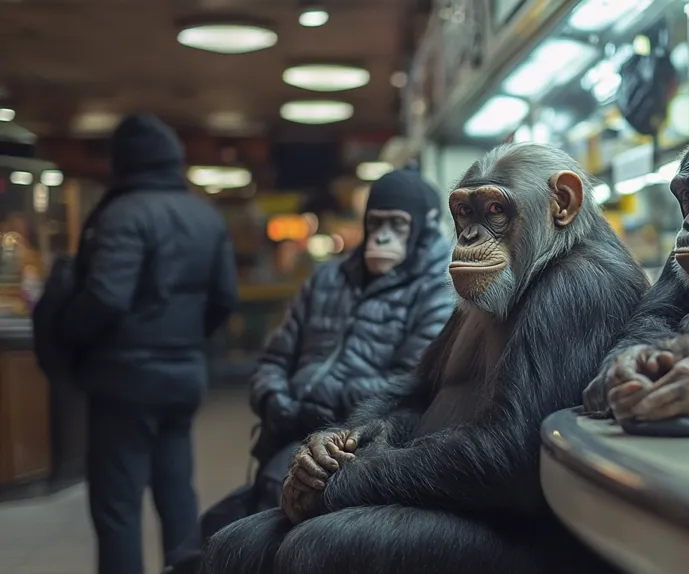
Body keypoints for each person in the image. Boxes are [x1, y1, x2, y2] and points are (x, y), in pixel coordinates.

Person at [58, 113, 238, 574]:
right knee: (177, 492)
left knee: (118, 505)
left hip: (124, 379)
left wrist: (71, 334)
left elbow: (105, 296)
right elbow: (224, 297)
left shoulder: (121, 214)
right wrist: (187, 342)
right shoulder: (204, 215)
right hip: (183, 376)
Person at [248, 167, 454, 505]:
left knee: (276, 492)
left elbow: (408, 386)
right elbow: (274, 359)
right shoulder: (328, 278)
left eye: (396, 225)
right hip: (287, 427)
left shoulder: (439, 288)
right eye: (376, 223)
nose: (382, 236)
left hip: (357, 442)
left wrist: (313, 406)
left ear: (423, 228)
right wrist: (274, 401)